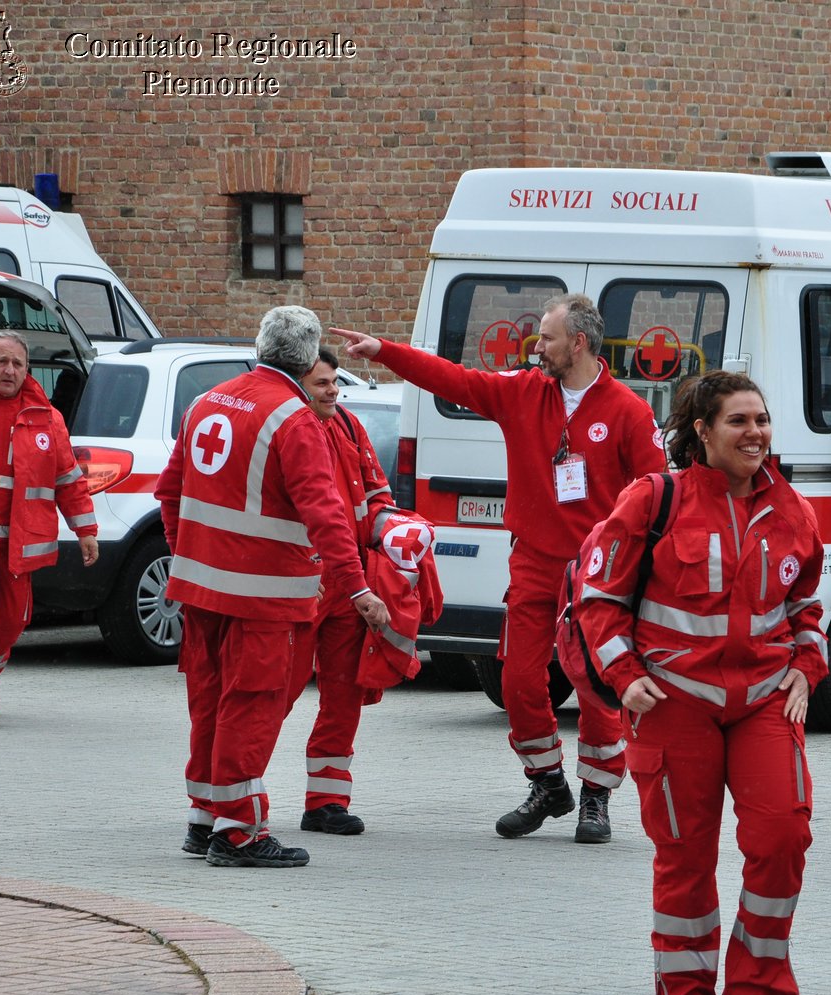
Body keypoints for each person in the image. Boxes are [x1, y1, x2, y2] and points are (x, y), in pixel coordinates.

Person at [331, 293, 665, 843]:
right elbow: (453, 380)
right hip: (534, 559)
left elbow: (655, 492)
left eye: (549, 338)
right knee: (517, 679)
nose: (538, 346)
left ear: (577, 343)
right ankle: (547, 782)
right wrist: (385, 351)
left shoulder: (628, 410)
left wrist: (640, 570)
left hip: (600, 570)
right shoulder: (522, 392)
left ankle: (596, 797)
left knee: (595, 679)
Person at [575, 372, 826, 995]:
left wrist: (807, 668)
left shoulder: (795, 510)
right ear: (702, 433)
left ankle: (761, 994)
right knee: (685, 860)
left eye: (763, 419)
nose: (756, 433)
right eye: (739, 421)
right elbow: (598, 597)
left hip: (764, 702)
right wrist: (624, 677)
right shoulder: (654, 499)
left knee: (782, 839)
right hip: (671, 704)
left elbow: (807, 609)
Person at [157, 306, 389, 869]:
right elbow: (327, 515)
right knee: (252, 703)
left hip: (201, 589)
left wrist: (188, 558)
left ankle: (205, 816)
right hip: (263, 593)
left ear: (260, 347)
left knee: (208, 701)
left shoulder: (208, 400)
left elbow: (170, 491)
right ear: (309, 358)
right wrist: (357, 587)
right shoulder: (293, 417)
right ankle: (240, 833)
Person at [0, 330, 98, 730]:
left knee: (12, 621)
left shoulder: (47, 418)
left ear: (28, 370)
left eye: (18, 364)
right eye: (2, 362)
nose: (9, 370)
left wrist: (86, 529)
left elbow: (68, 479)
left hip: (15, 546)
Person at [292, 349, 396, 836]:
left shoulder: (349, 426)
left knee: (344, 695)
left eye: (334, 381)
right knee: (273, 692)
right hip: (295, 580)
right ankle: (235, 791)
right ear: (297, 386)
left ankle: (326, 801)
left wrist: (395, 528)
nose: (333, 390)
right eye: (321, 384)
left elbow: (376, 492)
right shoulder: (287, 430)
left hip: (347, 581)